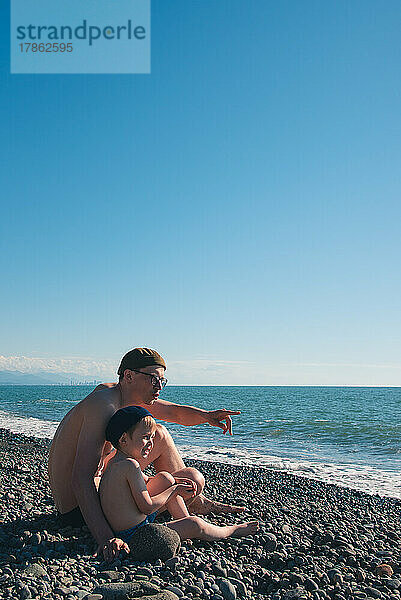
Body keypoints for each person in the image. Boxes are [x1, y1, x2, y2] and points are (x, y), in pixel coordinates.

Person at [48, 347, 244, 561]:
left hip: (97, 492)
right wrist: (105, 538)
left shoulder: (118, 394)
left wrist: (207, 416)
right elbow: (80, 478)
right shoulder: (103, 406)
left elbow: (172, 412)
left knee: (165, 446)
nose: (159, 386)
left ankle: (192, 499)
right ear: (129, 376)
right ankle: (186, 502)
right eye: (153, 379)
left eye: (162, 380)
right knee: (159, 437)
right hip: (77, 510)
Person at [99, 406, 259, 544]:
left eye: (152, 437)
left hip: (124, 527)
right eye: (145, 437)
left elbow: (146, 481)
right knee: (197, 525)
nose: (151, 443)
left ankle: (183, 520)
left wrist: (174, 481)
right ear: (124, 439)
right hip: (136, 534)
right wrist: (174, 490)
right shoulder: (131, 465)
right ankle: (231, 530)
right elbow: (146, 507)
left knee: (165, 477)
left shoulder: (116, 462)